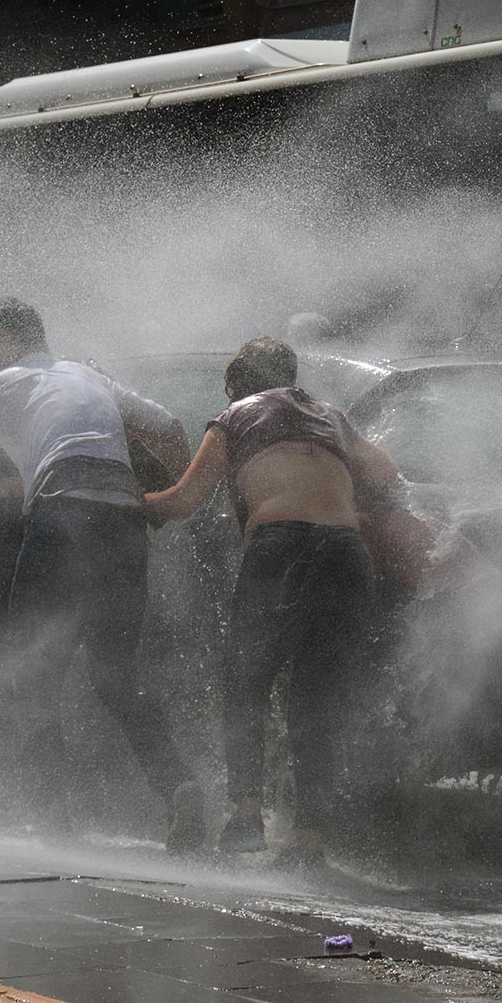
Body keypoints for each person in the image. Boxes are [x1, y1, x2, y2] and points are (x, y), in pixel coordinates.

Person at [0, 297, 201, 845]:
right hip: (125, 520)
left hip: (61, 512)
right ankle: (178, 787)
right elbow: (169, 425)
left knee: (29, 669)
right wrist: (173, 498)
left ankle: (54, 819)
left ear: (8, 342)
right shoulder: (90, 374)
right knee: (116, 674)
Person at [144, 337, 399, 866]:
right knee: (316, 702)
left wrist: (130, 501)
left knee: (246, 684)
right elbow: (386, 476)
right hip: (349, 558)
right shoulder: (332, 416)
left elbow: (186, 500)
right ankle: (310, 845)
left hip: (283, 549)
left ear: (238, 382)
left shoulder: (236, 415)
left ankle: (245, 820)